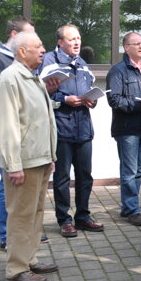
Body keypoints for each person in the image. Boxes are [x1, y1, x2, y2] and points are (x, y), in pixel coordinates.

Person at [0, 31, 58, 281]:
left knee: (36, 213)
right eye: (38, 46)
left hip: (40, 159)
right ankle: (16, 269)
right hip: (24, 162)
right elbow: (6, 125)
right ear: (22, 51)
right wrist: (13, 165)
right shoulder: (10, 78)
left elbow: (43, 119)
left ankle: (29, 259)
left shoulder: (34, 77)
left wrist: (51, 155)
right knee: (21, 215)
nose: (43, 50)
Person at [0, 17, 48, 250]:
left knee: (30, 195)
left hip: (31, 139)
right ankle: (7, 235)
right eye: (34, 40)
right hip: (8, 134)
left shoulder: (31, 69)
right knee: (10, 183)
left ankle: (27, 238)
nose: (42, 49)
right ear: (15, 36)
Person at [39, 24, 104, 238]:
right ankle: (64, 220)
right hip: (62, 128)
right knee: (62, 178)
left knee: (85, 176)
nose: (76, 42)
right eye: (71, 39)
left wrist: (92, 100)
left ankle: (83, 217)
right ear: (60, 42)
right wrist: (64, 99)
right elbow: (40, 93)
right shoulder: (48, 61)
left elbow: (89, 88)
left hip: (83, 128)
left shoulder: (82, 63)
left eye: (78, 39)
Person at [106, 32, 141, 226]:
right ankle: (132, 210)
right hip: (127, 128)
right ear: (126, 47)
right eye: (136, 43)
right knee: (129, 171)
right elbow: (114, 100)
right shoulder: (118, 71)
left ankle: (130, 206)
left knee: (138, 171)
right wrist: (139, 106)